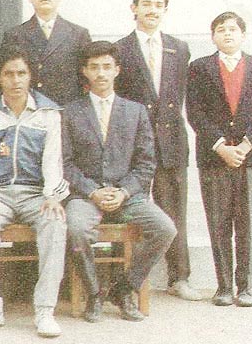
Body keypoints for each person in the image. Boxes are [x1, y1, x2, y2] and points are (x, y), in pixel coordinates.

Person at [63, 41, 177, 322]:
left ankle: (125, 288)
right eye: (94, 67)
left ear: (117, 70)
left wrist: (124, 191)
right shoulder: (70, 112)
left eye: (106, 67)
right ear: (85, 71)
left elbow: (146, 163)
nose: (101, 73)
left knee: (165, 228)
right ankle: (94, 293)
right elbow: (65, 164)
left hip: (127, 196)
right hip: (86, 196)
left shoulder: (135, 111)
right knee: (76, 228)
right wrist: (93, 192)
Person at [0, 45, 68, 337]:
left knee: (55, 222)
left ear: (30, 76)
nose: (15, 80)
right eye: (8, 74)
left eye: (21, 73)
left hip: (36, 194)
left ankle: (45, 310)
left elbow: (54, 158)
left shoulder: (49, 113)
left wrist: (52, 194)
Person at [115, 0, 201, 301]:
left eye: (158, 5)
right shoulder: (120, 49)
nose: (152, 10)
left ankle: (179, 278)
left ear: (165, 10)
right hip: (133, 144)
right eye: (146, 4)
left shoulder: (179, 48)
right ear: (134, 8)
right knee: (127, 208)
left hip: (171, 143)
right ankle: (124, 279)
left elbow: (182, 97)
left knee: (174, 211)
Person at [186, 12, 252, 307]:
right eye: (221, 30)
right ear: (213, 36)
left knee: (246, 223)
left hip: (249, 160)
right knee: (219, 223)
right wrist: (221, 146)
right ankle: (224, 287)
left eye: (233, 29)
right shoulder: (199, 68)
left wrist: (247, 144)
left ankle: (245, 287)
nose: (227, 34)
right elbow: (195, 112)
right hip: (214, 158)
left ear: (243, 35)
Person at [0, 0, 91, 105]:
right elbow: (5, 78)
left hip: (67, 109)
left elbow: (87, 80)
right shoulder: (15, 35)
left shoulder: (78, 35)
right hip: (30, 110)